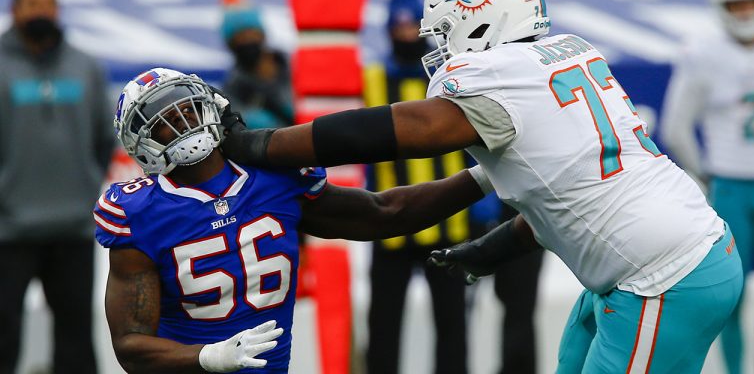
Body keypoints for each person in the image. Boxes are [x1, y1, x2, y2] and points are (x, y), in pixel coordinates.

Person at [220, 0, 744, 373]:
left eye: (444, 29)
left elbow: (391, 134)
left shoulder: (493, 82)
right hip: (681, 249)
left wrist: (261, 146)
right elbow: (563, 189)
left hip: (660, 275)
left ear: (478, 18)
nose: (439, 45)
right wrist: (494, 247)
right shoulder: (566, 54)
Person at [96, 68, 487, 373]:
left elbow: (383, 213)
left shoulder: (273, 179)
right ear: (140, 141)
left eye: (185, 108)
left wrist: (484, 179)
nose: (182, 122)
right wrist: (206, 357)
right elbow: (131, 344)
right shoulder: (139, 211)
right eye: (164, 119)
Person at [660, 0, 754, 374]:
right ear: (720, 6)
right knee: (731, 296)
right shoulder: (702, 52)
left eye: (752, 1)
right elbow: (676, 126)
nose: (745, 11)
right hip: (730, 185)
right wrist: (704, 173)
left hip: (743, 183)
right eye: (736, 3)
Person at [0, 0, 113, 374]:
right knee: (2, 337)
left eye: (48, 3)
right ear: (14, 10)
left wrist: (84, 189)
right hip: (7, 233)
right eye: (31, 3)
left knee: (76, 339)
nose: (41, 11)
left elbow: (104, 138)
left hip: (73, 229)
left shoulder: (85, 66)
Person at [365, 0, 471, 374]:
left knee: (453, 325)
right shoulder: (372, 79)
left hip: (449, 223)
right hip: (391, 223)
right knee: (383, 325)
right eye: (401, 27)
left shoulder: (449, 77)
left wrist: (485, 209)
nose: (408, 35)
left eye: (413, 27)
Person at [220, 0, 293, 129]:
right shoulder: (234, 87)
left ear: (262, 35)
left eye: (251, 33)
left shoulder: (295, 68)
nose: (247, 41)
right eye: (240, 37)